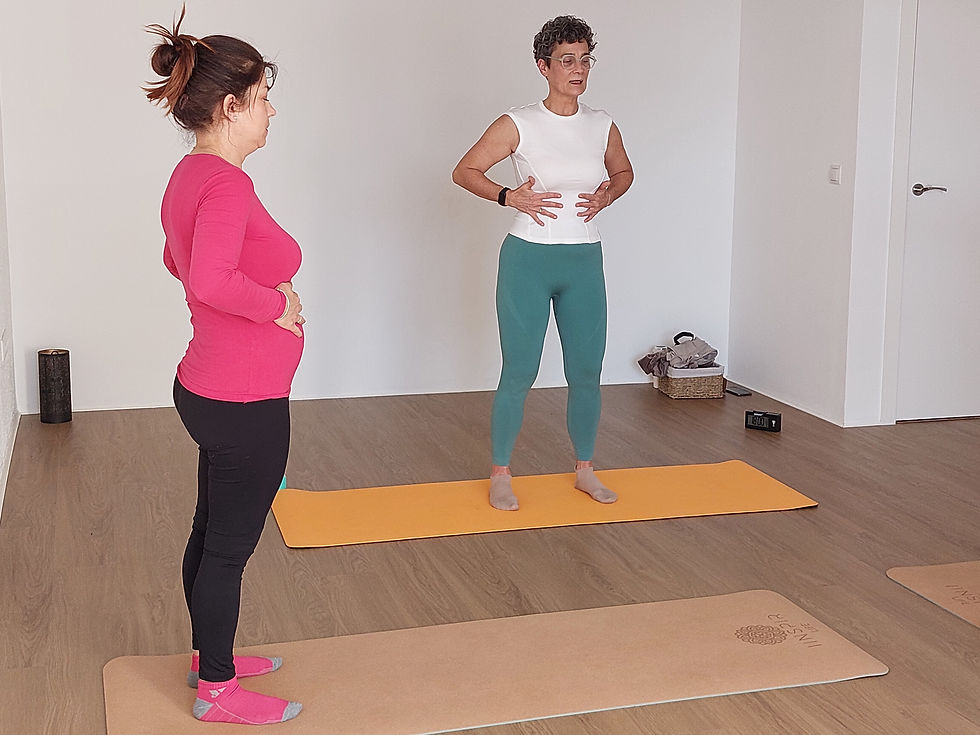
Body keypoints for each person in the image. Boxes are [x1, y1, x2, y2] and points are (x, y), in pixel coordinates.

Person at [145, 7, 304, 725]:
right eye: (264, 98)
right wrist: (276, 304)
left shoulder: (192, 173)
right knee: (229, 549)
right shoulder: (228, 184)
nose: (271, 112)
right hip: (244, 400)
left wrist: (263, 299)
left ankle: (209, 652)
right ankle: (217, 688)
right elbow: (206, 280)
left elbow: (176, 260)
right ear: (231, 106)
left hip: (207, 384)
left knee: (211, 533)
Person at [452, 16, 634, 511]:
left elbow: (623, 171)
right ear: (544, 67)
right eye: (567, 61)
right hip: (528, 258)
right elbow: (464, 171)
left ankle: (586, 470)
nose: (578, 70)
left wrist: (607, 196)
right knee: (520, 370)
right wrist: (509, 195)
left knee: (586, 369)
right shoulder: (519, 123)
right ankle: (501, 473)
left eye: (585, 60)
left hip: (583, 258)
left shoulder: (602, 124)